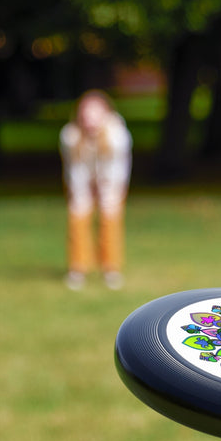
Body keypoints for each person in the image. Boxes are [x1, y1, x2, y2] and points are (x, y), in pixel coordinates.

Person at [59, 89, 132, 290]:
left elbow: (117, 168)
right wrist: (83, 191)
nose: (90, 119)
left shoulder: (117, 135)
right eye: (86, 113)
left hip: (111, 181)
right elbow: (75, 168)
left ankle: (111, 268)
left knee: (110, 219)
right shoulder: (70, 135)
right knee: (78, 216)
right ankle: (78, 268)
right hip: (81, 181)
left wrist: (105, 188)